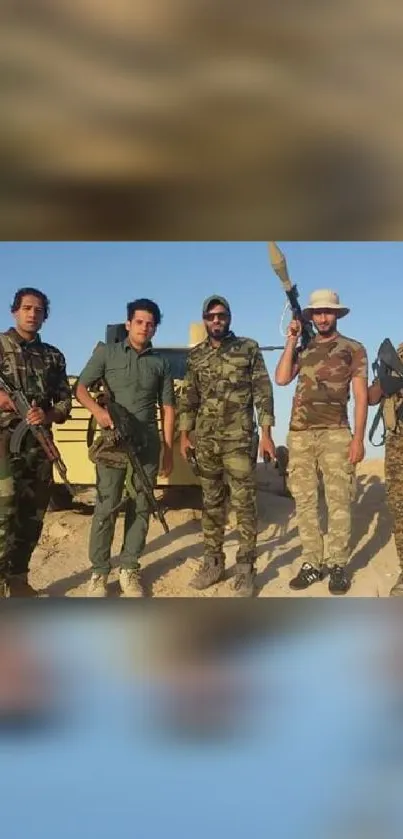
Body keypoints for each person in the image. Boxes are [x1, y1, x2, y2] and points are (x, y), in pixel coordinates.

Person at [76, 298, 175, 598]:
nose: (145, 327)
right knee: (106, 506)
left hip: (146, 444)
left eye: (150, 323)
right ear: (128, 323)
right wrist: (99, 412)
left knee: (141, 506)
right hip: (113, 442)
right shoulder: (107, 353)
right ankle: (99, 573)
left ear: (155, 328)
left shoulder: (161, 362)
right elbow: (80, 388)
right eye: (140, 322)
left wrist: (167, 448)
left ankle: (129, 568)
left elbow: (167, 407)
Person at [179, 295, 276, 597]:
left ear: (229, 317)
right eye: (211, 316)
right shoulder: (196, 357)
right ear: (205, 319)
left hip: (239, 440)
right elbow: (188, 398)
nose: (216, 320)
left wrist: (268, 433)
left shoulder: (248, 348)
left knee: (244, 504)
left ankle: (246, 569)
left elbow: (263, 391)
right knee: (211, 503)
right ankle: (213, 563)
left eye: (221, 315)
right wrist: (185, 434)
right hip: (206, 442)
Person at [275, 289, 368, 595]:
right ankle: (313, 563)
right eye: (318, 312)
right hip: (300, 434)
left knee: (339, 499)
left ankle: (338, 564)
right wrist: (291, 338)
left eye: (329, 311)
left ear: (336, 315)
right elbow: (282, 378)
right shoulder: (303, 348)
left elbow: (360, 396)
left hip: (336, 432)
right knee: (305, 501)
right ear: (312, 316)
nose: (324, 316)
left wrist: (358, 438)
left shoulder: (353, 348)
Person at [0, 287, 72, 598]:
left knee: (32, 516)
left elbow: (66, 402)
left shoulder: (53, 356)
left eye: (39, 310)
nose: (32, 314)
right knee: (3, 513)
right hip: (3, 444)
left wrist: (47, 414)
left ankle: (17, 580)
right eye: (27, 308)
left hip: (38, 447)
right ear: (14, 311)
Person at [368, 342, 403, 596]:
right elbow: (373, 398)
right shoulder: (397, 353)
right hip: (398, 444)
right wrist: (383, 378)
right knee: (399, 508)